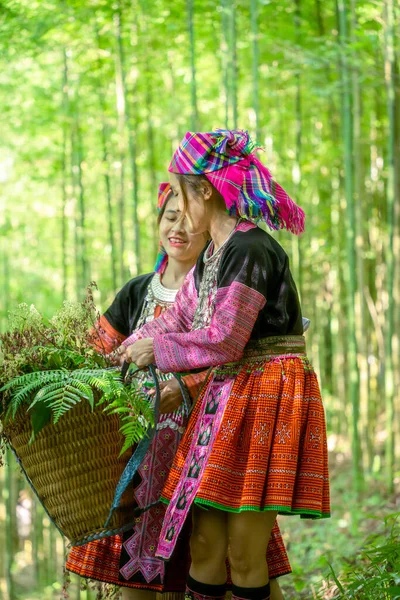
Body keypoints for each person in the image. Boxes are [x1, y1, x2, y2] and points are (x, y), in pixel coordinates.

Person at [118, 130, 330, 600]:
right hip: (227, 397)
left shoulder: (250, 248)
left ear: (204, 191)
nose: (173, 202)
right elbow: (174, 316)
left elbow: (225, 339)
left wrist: (157, 352)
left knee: (245, 554)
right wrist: (112, 357)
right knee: (205, 543)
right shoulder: (213, 252)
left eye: (177, 190)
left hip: (269, 394)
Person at [66, 183, 292, 600]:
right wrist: (74, 374)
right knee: (177, 554)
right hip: (158, 445)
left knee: (239, 555)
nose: (180, 225)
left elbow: (227, 344)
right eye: (171, 217)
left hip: (228, 417)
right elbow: (110, 345)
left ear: (207, 205)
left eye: (187, 215)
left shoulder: (243, 255)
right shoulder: (143, 289)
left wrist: (177, 378)